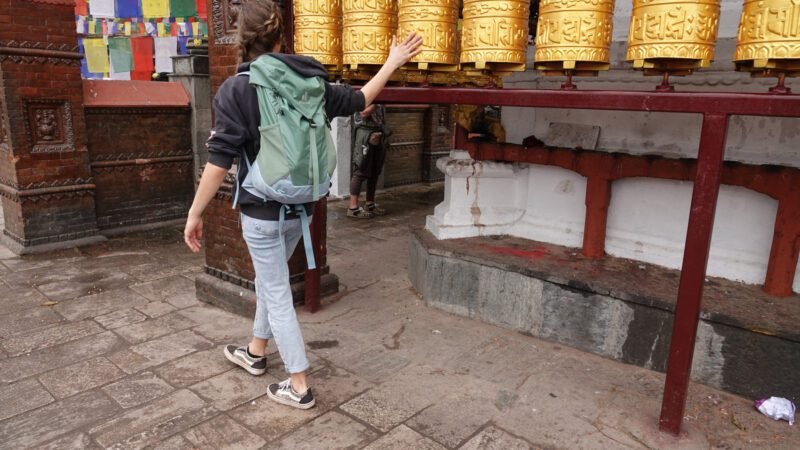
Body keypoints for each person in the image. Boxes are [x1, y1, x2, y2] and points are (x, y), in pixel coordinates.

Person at [183, 0, 422, 410]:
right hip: (302, 207)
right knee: (270, 280)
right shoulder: (310, 83)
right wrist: (393, 61)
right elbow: (360, 99)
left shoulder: (237, 89)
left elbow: (219, 160)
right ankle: (255, 351)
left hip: (262, 211)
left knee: (275, 290)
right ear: (281, 38)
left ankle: (298, 385)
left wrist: (195, 212)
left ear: (242, 39)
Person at [347, 104, 390, 218]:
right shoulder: (365, 95)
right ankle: (353, 208)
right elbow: (363, 113)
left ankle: (370, 204)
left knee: (375, 172)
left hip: (378, 132)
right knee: (360, 170)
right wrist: (376, 102)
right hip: (365, 134)